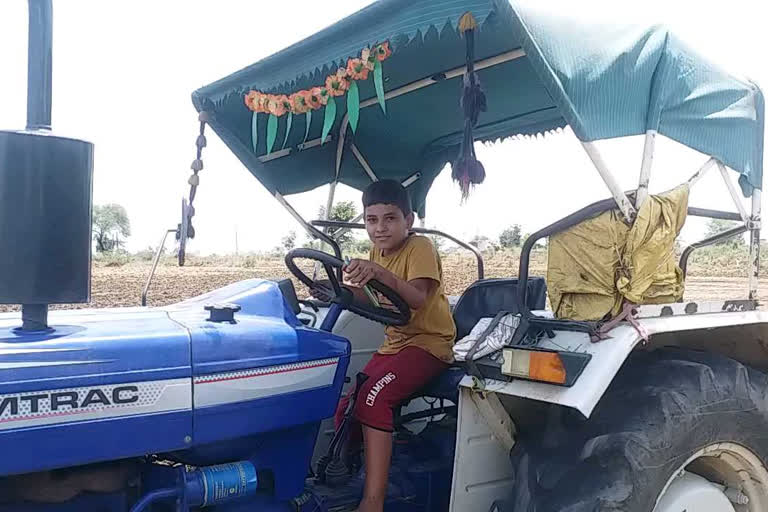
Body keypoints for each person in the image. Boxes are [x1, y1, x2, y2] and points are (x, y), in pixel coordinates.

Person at [320, 179, 456, 512]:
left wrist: (380, 274)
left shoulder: (419, 247)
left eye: (390, 218)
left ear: (408, 220)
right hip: (395, 345)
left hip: (428, 344)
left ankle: (373, 500)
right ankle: (348, 473)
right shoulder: (375, 252)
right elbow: (372, 297)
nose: (380, 228)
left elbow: (416, 298)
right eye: (372, 220)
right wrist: (336, 290)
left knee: (373, 398)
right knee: (346, 406)